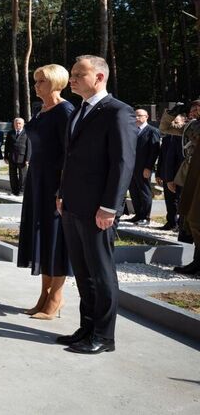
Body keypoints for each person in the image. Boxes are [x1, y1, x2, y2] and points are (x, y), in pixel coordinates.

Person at [56, 55, 136, 355]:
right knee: (83, 271)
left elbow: (123, 163)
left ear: (99, 78)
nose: (72, 78)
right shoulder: (79, 111)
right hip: (73, 205)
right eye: (72, 73)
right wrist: (62, 194)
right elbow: (71, 159)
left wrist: (110, 207)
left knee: (101, 273)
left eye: (78, 74)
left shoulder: (118, 112)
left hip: (98, 209)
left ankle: (104, 335)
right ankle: (87, 327)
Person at [17, 65, 74, 321]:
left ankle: (56, 297)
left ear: (54, 82)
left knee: (55, 238)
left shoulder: (65, 110)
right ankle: (43, 295)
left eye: (40, 81)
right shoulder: (40, 110)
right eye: (35, 80)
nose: (36, 85)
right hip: (36, 181)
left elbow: (70, 154)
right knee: (40, 238)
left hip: (55, 182)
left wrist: (63, 189)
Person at [160, 99, 200, 273]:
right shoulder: (192, 126)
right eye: (193, 107)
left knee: (195, 219)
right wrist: (172, 113)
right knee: (190, 219)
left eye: (198, 107)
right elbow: (165, 128)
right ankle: (197, 261)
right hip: (191, 175)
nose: (195, 110)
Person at [125, 109, 161, 226]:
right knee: (134, 191)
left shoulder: (152, 131)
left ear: (146, 117)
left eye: (139, 115)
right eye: (134, 115)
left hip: (143, 167)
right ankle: (138, 215)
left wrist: (148, 167)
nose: (136, 118)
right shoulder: (132, 130)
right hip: (131, 167)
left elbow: (154, 151)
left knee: (144, 191)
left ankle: (146, 216)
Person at [156, 121, 185, 232]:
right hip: (168, 174)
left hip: (181, 175)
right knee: (170, 200)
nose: (174, 124)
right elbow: (164, 157)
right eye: (172, 122)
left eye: (176, 122)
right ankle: (171, 222)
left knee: (180, 201)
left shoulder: (184, 136)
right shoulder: (168, 138)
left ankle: (180, 225)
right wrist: (159, 174)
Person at [4, 117, 31, 196]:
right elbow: (7, 146)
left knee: (23, 175)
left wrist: (27, 159)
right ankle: (14, 191)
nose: (17, 125)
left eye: (19, 123)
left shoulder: (27, 133)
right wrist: (5, 156)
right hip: (12, 157)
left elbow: (29, 147)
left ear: (23, 124)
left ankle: (22, 191)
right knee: (12, 175)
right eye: (16, 123)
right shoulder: (10, 133)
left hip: (22, 158)